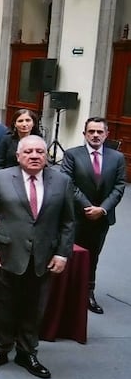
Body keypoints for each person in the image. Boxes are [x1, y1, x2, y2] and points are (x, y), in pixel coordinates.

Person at [0, 135, 74, 379]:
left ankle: (27, 352)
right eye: (29, 151)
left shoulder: (62, 181)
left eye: (40, 152)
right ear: (18, 155)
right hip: (6, 254)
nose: (34, 156)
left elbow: (68, 222)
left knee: (35, 307)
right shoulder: (0, 178)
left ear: (46, 156)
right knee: (3, 305)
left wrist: (63, 254)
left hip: (43, 256)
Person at [61, 117, 126, 314]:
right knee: (69, 254)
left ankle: (88, 292)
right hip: (77, 215)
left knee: (93, 255)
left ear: (107, 134)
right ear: (84, 134)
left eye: (99, 132)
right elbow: (68, 182)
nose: (95, 135)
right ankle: (66, 294)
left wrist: (102, 209)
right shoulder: (72, 155)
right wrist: (88, 207)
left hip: (102, 218)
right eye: (91, 131)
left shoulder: (117, 157)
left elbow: (119, 186)